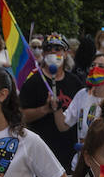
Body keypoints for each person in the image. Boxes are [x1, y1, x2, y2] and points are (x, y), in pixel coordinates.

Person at [19, 38, 84, 169]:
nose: (53, 53)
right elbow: (20, 115)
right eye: (49, 50)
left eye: (58, 49)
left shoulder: (75, 82)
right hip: (41, 150)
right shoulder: (33, 82)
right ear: (43, 55)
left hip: (69, 151)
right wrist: (44, 109)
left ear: (66, 54)